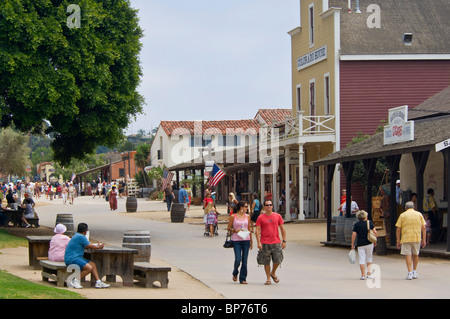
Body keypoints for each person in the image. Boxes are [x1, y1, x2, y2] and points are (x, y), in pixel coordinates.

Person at [64, 223, 110, 288]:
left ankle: (98, 282)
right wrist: (98, 247)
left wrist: (95, 246)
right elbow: (89, 245)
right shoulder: (81, 237)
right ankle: (75, 280)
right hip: (72, 259)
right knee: (89, 268)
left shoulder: (76, 235)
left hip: (75, 257)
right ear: (86, 231)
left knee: (92, 264)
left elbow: (85, 245)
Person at [255, 199, 286, 285]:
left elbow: (282, 229)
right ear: (264, 207)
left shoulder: (278, 216)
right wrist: (258, 242)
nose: (269, 207)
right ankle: (268, 278)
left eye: (270, 205)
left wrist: (284, 241)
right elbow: (257, 230)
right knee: (266, 261)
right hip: (265, 242)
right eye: (267, 205)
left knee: (278, 260)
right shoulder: (260, 217)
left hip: (276, 242)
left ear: (272, 206)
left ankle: (273, 272)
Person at [395, 201, 427, 280]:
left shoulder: (402, 215)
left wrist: (398, 240)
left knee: (408, 255)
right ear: (413, 207)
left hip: (406, 238)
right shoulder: (419, 214)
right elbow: (424, 227)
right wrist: (424, 239)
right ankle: (415, 271)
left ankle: (409, 272)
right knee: (416, 254)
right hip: (416, 237)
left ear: (405, 208)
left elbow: (398, 229)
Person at [227, 201, 252, 284]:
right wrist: (234, 230)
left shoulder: (247, 216)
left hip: (246, 239)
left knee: (245, 260)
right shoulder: (233, 216)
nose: (246, 208)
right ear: (241, 207)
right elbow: (228, 228)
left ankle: (243, 278)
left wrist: (251, 241)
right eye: (245, 206)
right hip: (236, 240)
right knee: (238, 259)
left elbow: (249, 229)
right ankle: (235, 272)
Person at [351, 210, 377, 280]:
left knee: (362, 259)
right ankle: (369, 274)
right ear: (365, 216)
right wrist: (375, 240)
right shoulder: (370, 223)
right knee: (369, 258)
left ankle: (362, 275)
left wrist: (352, 244)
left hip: (360, 244)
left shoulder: (357, 225)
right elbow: (375, 232)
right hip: (369, 243)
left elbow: (354, 235)